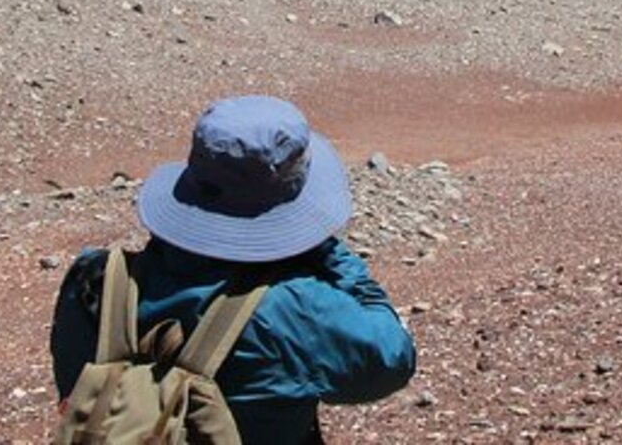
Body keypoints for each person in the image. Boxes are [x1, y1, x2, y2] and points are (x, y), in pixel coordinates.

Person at [51, 94, 417, 443]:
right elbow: (392, 358)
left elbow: (74, 386)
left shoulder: (94, 279)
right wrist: (327, 250)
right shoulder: (295, 308)